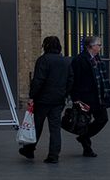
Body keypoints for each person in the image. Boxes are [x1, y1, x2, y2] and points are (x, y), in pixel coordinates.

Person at [18, 36, 73, 164]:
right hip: (58, 99)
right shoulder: (65, 61)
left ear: (46, 46)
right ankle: (54, 155)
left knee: (37, 125)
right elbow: (71, 79)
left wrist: (32, 96)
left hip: (43, 100)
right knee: (55, 128)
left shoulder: (43, 60)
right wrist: (65, 94)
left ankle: (29, 149)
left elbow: (38, 80)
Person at [70, 35, 110, 157]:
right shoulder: (80, 60)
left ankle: (84, 137)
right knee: (84, 121)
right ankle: (87, 148)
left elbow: (101, 78)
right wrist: (76, 99)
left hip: (98, 96)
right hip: (85, 97)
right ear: (91, 46)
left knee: (103, 119)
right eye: (98, 45)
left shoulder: (97, 59)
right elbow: (75, 80)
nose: (100, 47)